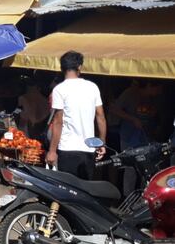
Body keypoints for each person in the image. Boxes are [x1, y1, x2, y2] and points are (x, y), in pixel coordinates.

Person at [46, 51, 107, 180]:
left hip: (68, 149)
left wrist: (52, 151)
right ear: (79, 67)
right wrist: (101, 143)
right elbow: (100, 117)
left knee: (68, 190)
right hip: (89, 149)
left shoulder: (59, 89)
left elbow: (58, 121)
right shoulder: (92, 87)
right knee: (85, 190)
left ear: (62, 68)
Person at [110, 79, 164, 194]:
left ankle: (144, 196)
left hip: (146, 137)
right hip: (129, 136)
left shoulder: (154, 99)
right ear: (149, 85)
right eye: (157, 88)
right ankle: (128, 197)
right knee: (130, 168)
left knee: (147, 167)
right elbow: (114, 109)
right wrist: (132, 119)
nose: (159, 92)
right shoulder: (130, 93)